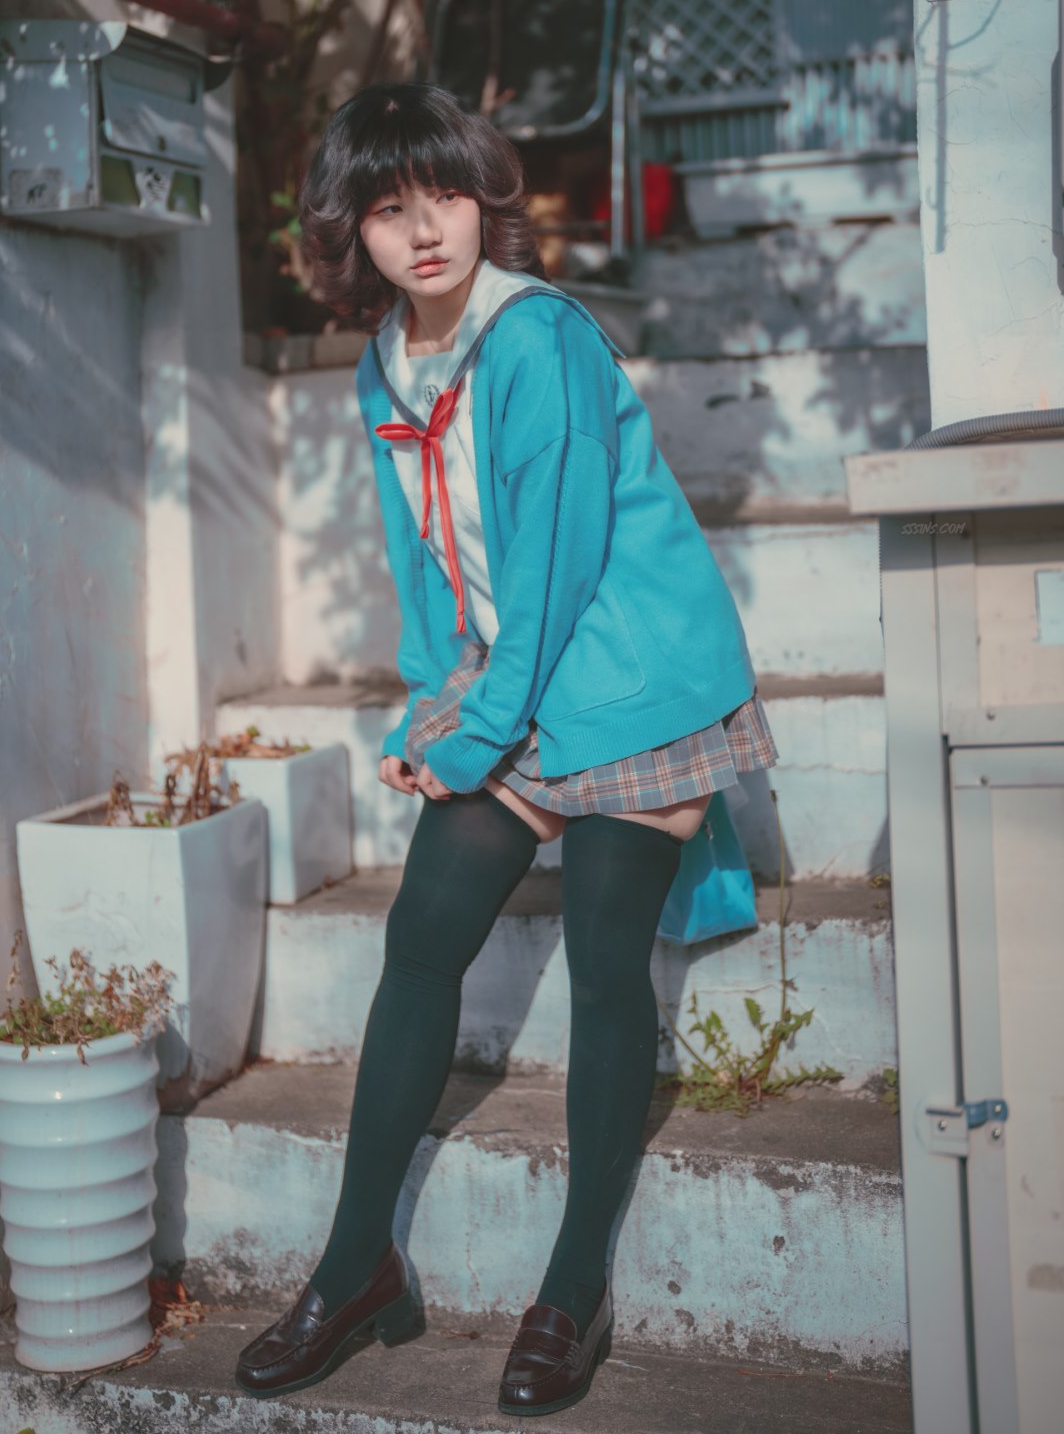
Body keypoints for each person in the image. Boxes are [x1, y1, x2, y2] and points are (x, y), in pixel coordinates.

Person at [235, 82, 779, 1417]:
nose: (424, 230)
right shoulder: (383, 363)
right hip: (517, 678)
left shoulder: (536, 338)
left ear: (485, 199)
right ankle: (356, 1267)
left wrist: (480, 731)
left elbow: (554, 565)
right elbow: (426, 561)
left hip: (633, 676)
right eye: (387, 208)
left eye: (445, 195)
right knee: (422, 933)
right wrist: (433, 707)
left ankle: (574, 1287)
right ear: (350, 232)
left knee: (604, 957)